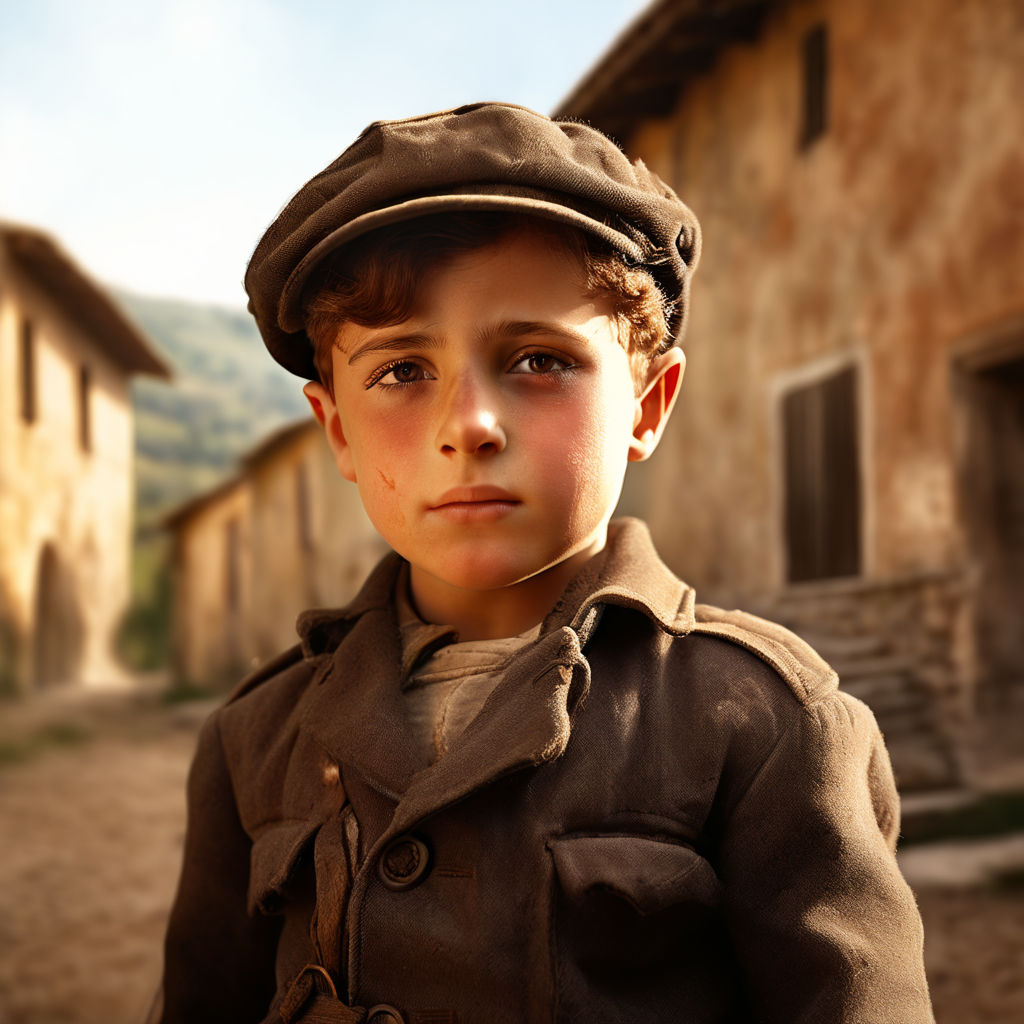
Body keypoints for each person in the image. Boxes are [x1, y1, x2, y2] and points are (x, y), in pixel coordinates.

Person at [155, 102, 934, 1024]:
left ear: (648, 404)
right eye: (402, 371)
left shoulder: (764, 725)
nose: (471, 425)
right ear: (338, 431)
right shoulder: (258, 736)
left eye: (537, 358)